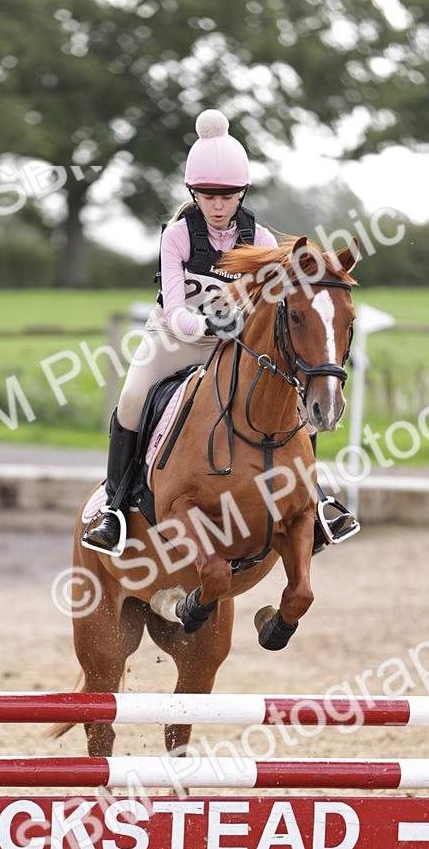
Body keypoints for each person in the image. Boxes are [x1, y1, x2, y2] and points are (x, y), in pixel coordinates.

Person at [83, 108, 358, 555]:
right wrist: (211, 323)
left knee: (289, 400)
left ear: (241, 193)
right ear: (193, 192)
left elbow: (276, 306)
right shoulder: (177, 235)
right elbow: (175, 310)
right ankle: (114, 507)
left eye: (227, 196)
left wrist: (242, 327)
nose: (217, 205)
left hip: (232, 345)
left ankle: (317, 501)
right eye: (207, 195)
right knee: (132, 400)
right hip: (173, 339)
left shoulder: (261, 239)